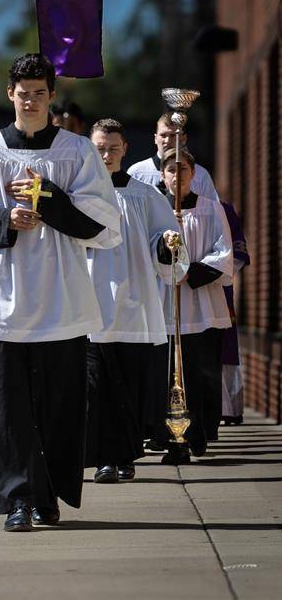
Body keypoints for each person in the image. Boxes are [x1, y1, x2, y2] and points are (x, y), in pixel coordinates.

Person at [0, 53, 122, 532]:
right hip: (6, 297)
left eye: (41, 93)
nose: (32, 101)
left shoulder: (77, 152)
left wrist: (47, 198)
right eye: (24, 93)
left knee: (61, 405)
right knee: (8, 407)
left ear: (51, 96)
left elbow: (102, 222)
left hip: (63, 296)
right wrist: (6, 220)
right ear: (9, 95)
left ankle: (50, 495)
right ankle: (18, 499)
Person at [86, 119, 188, 483]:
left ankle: (124, 456)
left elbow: (166, 241)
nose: (107, 154)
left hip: (132, 305)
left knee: (127, 386)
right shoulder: (79, 195)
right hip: (88, 306)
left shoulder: (145, 196)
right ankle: (102, 458)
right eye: (100, 147)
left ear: (125, 149)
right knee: (96, 387)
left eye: (113, 147)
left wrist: (166, 244)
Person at [157, 149, 233, 464]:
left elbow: (225, 254)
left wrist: (189, 271)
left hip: (201, 306)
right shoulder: (154, 208)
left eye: (183, 169)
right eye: (171, 170)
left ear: (193, 173)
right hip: (164, 304)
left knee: (201, 373)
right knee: (166, 375)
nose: (178, 175)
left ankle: (198, 432)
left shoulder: (212, 210)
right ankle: (171, 439)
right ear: (163, 175)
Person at [128, 112, 219, 200]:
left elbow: (211, 210)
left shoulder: (200, 175)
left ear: (183, 139)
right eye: (163, 135)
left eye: (173, 135)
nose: (167, 141)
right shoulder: (137, 173)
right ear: (155, 138)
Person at [220, 202, 250, 426]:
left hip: (216, 285)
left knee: (225, 347)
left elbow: (237, 254)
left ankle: (227, 408)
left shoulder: (222, 209)